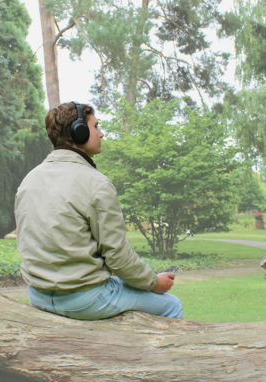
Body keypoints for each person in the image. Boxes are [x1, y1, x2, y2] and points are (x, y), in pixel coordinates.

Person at [14, 101, 183, 320]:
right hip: (84, 299)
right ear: (80, 132)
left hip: (38, 295)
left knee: (121, 283)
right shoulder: (96, 184)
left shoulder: (29, 179)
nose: (101, 134)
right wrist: (153, 282)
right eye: (96, 127)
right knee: (171, 305)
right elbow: (118, 258)